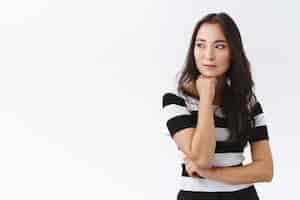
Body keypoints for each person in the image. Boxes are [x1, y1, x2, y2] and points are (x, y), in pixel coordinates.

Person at [162, 12, 274, 200]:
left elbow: (265, 170)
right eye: (200, 45)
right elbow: (202, 159)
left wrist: (211, 174)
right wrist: (206, 98)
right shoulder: (176, 100)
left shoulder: (248, 103)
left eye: (219, 46)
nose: (209, 55)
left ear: (233, 52)